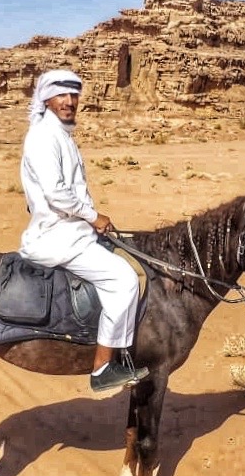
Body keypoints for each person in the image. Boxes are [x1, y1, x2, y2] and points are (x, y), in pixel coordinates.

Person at [19, 69, 149, 393]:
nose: (69, 101)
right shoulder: (44, 136)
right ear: (45, 98)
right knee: (124, 280)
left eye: (74, 94)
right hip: (60, 237)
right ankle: (103, 367)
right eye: (61, 94)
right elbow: (57, 193)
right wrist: (94, 217)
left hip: (67, 230)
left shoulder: (58, 134)